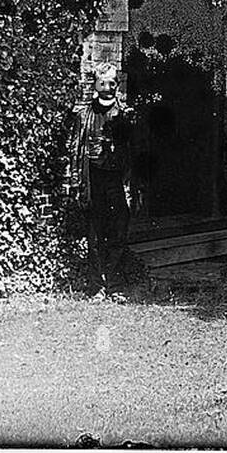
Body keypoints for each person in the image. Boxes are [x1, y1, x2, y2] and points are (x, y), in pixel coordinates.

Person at [67, 62, 137, 300]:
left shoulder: (126, 115)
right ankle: (97, 286)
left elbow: (134, 153)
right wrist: (76, 183)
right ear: (95, 84)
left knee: (117, 233)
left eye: (112, 83)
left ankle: (115, 285)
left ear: (117, 85)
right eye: (102, 82)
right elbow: (75, 150)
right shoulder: (84, 115)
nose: (107, 87)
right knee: (95, 236)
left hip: (117, 183)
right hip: (93, 182)